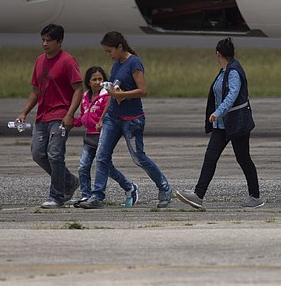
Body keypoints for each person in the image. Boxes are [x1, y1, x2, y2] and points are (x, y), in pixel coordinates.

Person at [80, 32, 172, 209]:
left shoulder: (134, 63)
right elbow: (112, 96)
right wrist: (102, 117)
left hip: (132, 120)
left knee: (139, 158)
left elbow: (143, 90)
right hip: (112, 119)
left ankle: (164, 188)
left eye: (110, 51)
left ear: (120, 47)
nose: (109, 55)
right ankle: (97, 196)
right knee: (102, 156)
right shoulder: (116, 66)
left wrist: (121, 95)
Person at [176, 38, 264, 209]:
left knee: (243, 159)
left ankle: (255, 197)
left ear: (218, 54)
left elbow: (232, 95)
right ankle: (198, 196)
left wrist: (217, 112)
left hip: (236, 124)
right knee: (210, 158)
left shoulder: (233, 72)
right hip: (222, 126)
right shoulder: (224, 71)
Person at [15, 24, 83, 208]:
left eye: (49, 40)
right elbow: (35, 91)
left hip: (60, 115)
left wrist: (70, 115)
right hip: (42, 116)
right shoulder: (39, 61)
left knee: (55, 155)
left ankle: (57, 196)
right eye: (43, 40)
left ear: (59, 42)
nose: (45, 44)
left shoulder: (68, 61)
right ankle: (69, 181)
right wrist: (24, 112)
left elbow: (78, 89)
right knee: (38, 154)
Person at [72, 66, 139, 207]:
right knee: (83, 167)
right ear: (88, 81)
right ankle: (86, 195)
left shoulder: (107, 97)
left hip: (103, 137)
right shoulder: (85, 97)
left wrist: (102, 122)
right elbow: (84, 116)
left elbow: (109, 115)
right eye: (94, 79)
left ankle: (129, 186)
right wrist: (72, 122)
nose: (97, 82)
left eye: (100, 79)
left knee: (107, 169)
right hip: (89, 137)